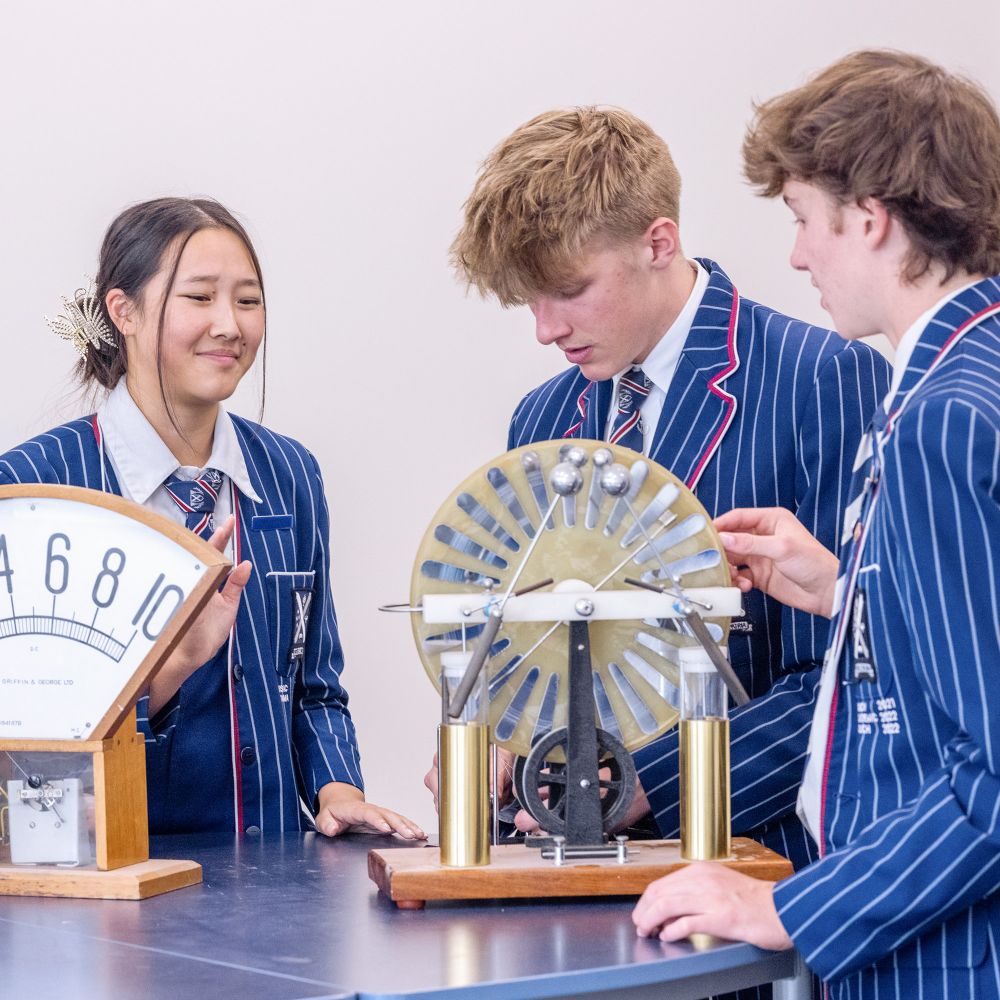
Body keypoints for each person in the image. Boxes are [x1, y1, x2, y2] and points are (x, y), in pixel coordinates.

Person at [435, 106, 890, 876]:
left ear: (659, 243)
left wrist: (654, 782)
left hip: (757, 873)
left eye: (568, 290)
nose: (545, 330)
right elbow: (530, 649)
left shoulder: (824, 379)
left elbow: (853, 677)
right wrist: (494, 735)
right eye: (528, 301)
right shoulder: (541, 417)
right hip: (556, 875)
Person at [631, 51, 1000, 997]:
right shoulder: (973, 376)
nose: (797, 256)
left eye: (802, 218)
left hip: (946, 964)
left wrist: (792, 909)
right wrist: (848, 590)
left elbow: (991, 782)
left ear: (870, 218)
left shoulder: (943, 420)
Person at [0, 197, 424, 840]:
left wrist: (337, 789)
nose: (229, 324)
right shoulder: (38, 487)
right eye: (199, 297)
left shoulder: (290, 473)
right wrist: (173, 666)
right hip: (111, 874)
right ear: (124, 311)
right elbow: (28, 736)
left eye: (248, 301)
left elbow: (314, 684)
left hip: (279, 873)